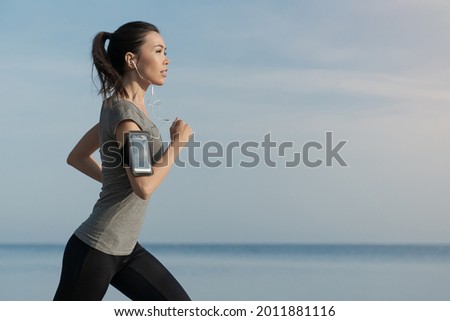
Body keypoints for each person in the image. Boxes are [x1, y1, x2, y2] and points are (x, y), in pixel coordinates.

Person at [53, 21, 192, 301]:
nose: (167, 59)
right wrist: (177, 144)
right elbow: (143, 186)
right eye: (158, 50)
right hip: (96, 249)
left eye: (166, 51)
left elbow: (77, 157)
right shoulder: (128, 119)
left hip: (126, 250)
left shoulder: (115, 107)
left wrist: (116, 180)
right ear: (132, 59)